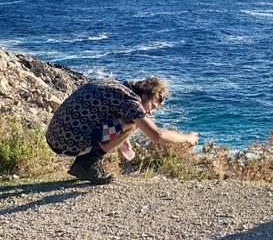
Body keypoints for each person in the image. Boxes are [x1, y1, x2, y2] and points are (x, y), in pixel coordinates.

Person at [46, 77, 198, 184]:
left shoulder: (118, 85)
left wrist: (122, 140)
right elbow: (157, 135)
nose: (150, 112)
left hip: (55, 135)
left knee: (132, 121)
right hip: (68, 142)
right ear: (145, 94)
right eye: (152, 106)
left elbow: (103, 114)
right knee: (134, 123)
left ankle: (84, 163)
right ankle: (87, 164)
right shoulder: (130, 101)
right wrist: (187, 138)